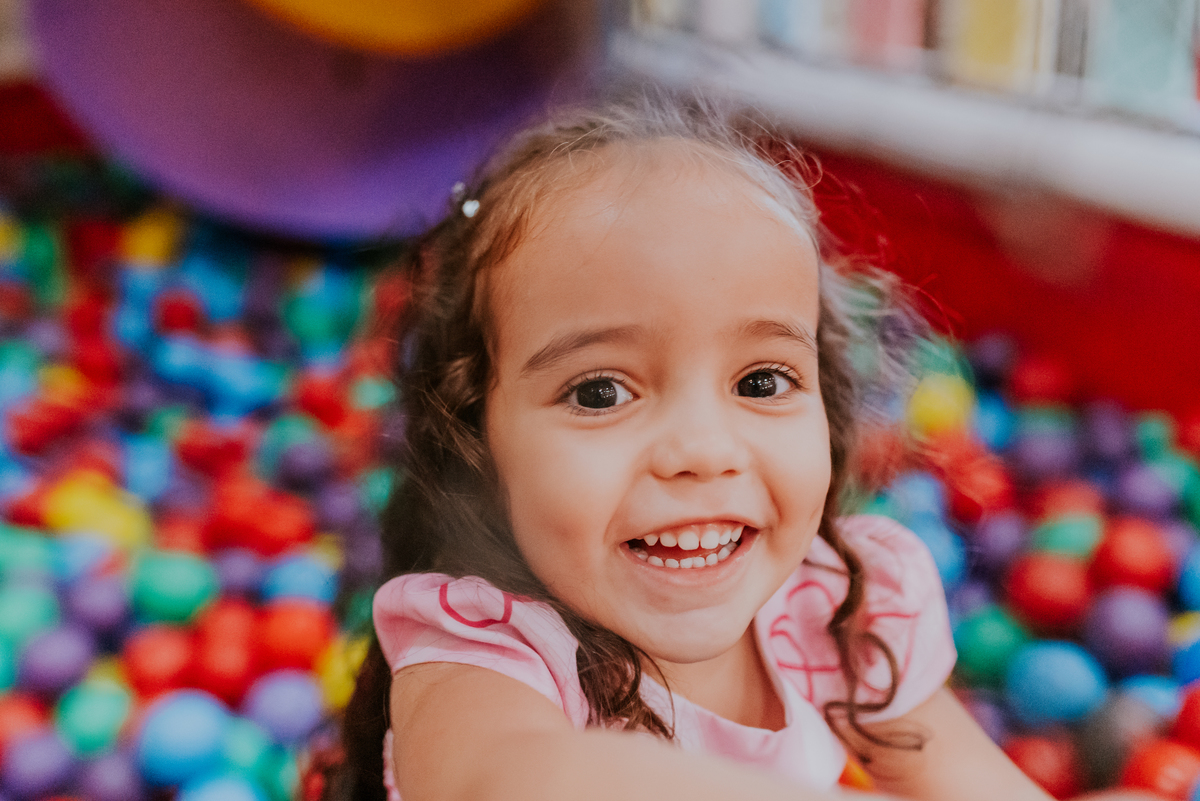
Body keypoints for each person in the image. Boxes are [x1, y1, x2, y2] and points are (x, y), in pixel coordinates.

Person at [325, 96, 1133, 801]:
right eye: (600, 391)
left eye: (762, 380)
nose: (703, 451)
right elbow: (513, 780)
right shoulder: (486, 655)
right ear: (475, 441)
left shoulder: (837, 611)